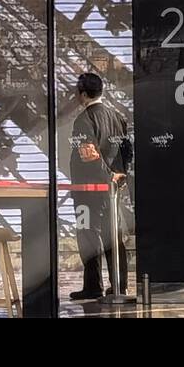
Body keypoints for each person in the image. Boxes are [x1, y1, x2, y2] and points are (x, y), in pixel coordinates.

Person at [68, 71, 131, 300]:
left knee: (88, 236)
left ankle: (92, 285)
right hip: (112, 191)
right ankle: (120, 285)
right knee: (114, 235)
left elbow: (89, 155)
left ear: (83, 94)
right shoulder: (117, 116)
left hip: (88, 189)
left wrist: (107, 176)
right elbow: (127, 151)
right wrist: (119, 176)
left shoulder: (83, 119)